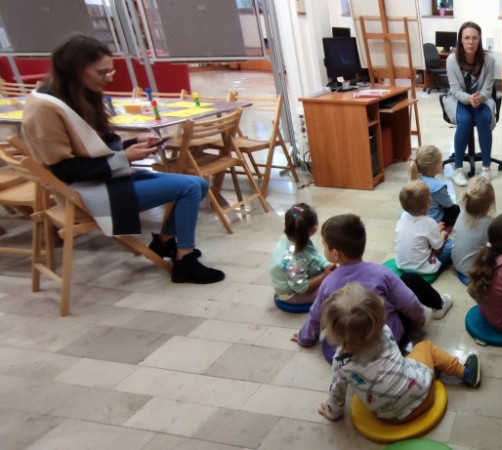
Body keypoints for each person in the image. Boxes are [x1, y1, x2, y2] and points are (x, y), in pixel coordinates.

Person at [20, 35, 223, 284]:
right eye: (102, 72)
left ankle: (165, 242)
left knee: (198, 184)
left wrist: (131, 145)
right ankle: (185, 261)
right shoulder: (44, 108)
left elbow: (91, 148)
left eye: (110, 71)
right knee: (190, 187)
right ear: (74, 69)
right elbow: (65, 170)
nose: (109, 78)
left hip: (103, 179)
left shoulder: (72, 94)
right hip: (83, 193)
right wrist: (124, 157)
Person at [293, 214, 452, 359]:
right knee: (410, 280)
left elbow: (316, 316)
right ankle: (440, 303)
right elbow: (409, 302)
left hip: (348, 350)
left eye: (324, 245)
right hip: (387, 343)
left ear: (335, 254)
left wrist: (304, 338)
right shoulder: (381, 273)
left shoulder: (328, 283)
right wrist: (419, 320)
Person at [318, 283, 481, 423]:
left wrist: (332, 413)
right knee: (424, 347)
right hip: (425, 393)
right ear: (379, 317)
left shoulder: (340, 363)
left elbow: (337, 393)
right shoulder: (384, 331)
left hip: (391, 417)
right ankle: (465, 373)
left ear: (333, 332)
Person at [442, 22, 497, 186]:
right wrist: (468, 98)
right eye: (466, 38)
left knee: (482, 118)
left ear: (479, 40)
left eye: (474, 38)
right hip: (458, 99)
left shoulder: (489, 60)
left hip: (482, 100)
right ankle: (458, 169)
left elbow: (488, 89)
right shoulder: (452, 60)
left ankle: (486, 167)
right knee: (465, 120)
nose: (470, 42)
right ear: (460, 40)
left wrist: (480, 97)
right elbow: (455, 90)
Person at [270, 203, 335, 307]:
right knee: (333, 288)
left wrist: (326, 265)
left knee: (333, 280)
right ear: (314, 229)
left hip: (299, 277)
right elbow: (301, 288)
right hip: (293, 295)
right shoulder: (292, 260)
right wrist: (324, 276)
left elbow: (315, 255)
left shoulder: (299, 239)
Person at [396, 180, 452, 275]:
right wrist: (442, 235)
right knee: (451, 244)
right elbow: (438, 249)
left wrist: (435, 231)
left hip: (401, 264)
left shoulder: (403, 217)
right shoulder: (430, 223)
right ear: (427, 205)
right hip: (422, 268)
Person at [450, 176, 495, 285]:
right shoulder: (490, 223)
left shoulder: (462, 213)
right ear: (491, 202)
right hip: (473, 272)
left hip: (456, 263)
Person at [409, 145, 459, 228]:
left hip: (413, 219)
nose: (442, 163)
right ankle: (445, 230)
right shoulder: (437, 187)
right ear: (432, 166)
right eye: (440, 161)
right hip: (432, 222)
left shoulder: (412, 179)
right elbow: (449, 205)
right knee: (455, 210)